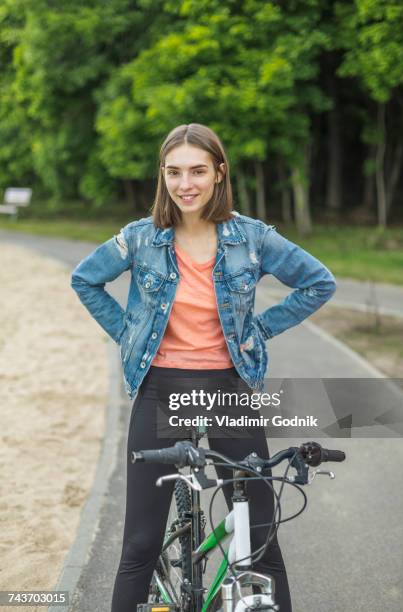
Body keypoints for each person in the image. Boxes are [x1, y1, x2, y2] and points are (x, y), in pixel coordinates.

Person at [71, 123, 337, 612]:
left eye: (197, 171)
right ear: (163, 176)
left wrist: (259, 330)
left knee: (261, 540)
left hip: (228, 389)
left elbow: (319, 283)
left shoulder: (252, 238)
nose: (185, 184)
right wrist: (130, 334)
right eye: (174, 172)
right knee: (139, 545)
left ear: (219, 173)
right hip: (161, 393)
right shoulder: (141, 238)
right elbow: (85, 279)